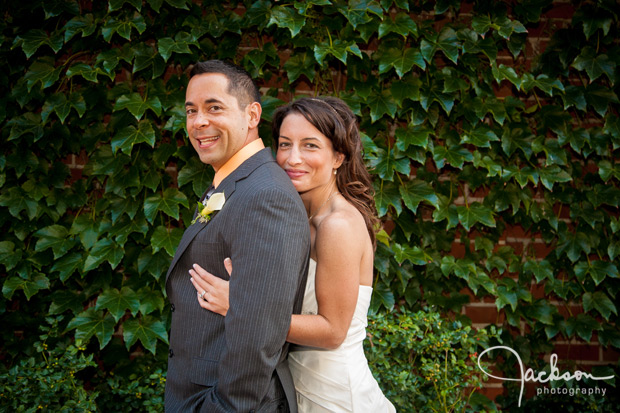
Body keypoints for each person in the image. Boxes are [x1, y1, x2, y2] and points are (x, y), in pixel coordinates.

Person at [190, 97, 395, 412]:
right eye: (285, 145)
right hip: (295, 389)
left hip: (335, 398)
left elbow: (332, 331)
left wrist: (241, 306)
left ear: (338, 156)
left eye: (310, 146)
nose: (292, 158)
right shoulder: (296, 216)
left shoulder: (338, 224)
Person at [165, 60, 310, 412]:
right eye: (191, 111)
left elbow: (259, 334)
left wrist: (222, 407)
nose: (199, 122)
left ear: (252, 115)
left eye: (214, 107)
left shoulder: (266, 196)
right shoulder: (234, 183)